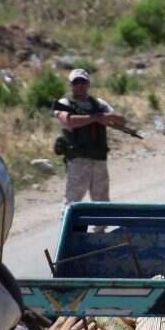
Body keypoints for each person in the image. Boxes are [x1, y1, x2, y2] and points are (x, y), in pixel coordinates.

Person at [53, 69, 127, 221]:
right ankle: (67, 231)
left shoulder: (98, 104)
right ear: (70, 85)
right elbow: (68, 121)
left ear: (88, 84)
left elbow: (121, 120)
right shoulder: (65, 103)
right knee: (72, 202)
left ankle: (100, 230)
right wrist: (93, 118)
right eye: (76, 82)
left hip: (99, 158)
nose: (80, 85)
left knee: (101, 200)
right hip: (78, 159)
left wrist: (105, 116)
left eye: (83, 81)